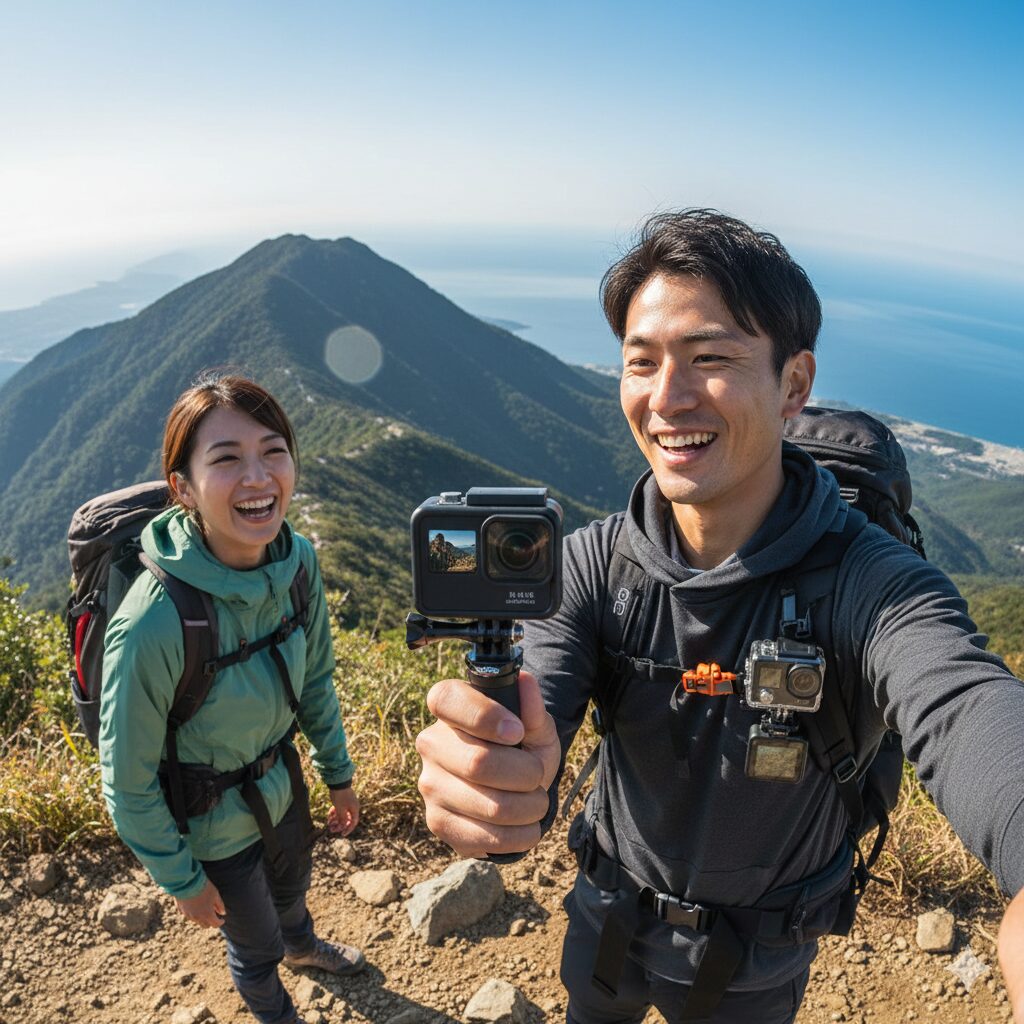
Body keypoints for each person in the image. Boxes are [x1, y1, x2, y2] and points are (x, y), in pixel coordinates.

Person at [415, 210, 1024, 1023]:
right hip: (606, 918)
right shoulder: (594, 566)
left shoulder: (869, 585)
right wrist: (501, 770)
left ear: (794, 386)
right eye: (641, 363)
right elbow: (542, 684)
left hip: (755, 962)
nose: (666, 398)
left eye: (710, 359)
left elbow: (963, 698)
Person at [100, 373, 365, 1024]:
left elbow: (315, 681)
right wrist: (182, 881)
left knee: (293, 891)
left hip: (284, 786)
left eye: (274, 451)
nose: (258, 477)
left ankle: (303, 948)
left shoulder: (298, 562)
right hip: (214, 823)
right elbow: (126, 783)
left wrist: (339, 775)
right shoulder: (154, 624)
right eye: (226, 459)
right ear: (182, 489)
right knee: (252, 943)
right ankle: (277, 1010)